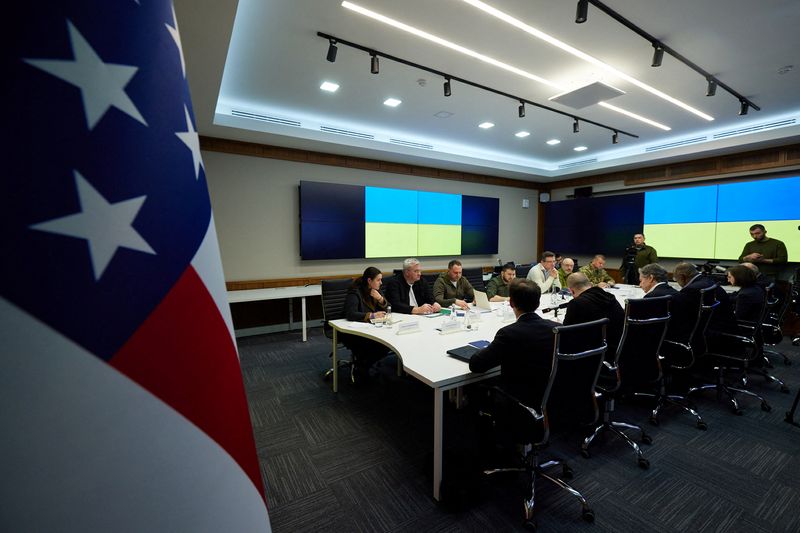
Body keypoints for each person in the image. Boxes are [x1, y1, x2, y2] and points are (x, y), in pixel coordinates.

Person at [469, 279, 559, 406]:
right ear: (538, 303)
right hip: (553, 396)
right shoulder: (557, 329)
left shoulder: (508, 334)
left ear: (511, 303)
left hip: (520, 400)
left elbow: (476, 365)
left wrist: (488, 348)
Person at [341, 267, 392, 381]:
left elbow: (388, 306)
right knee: (375, 345)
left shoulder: (376, 290)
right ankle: (362, 366)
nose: (381, 282)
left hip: (372, 329)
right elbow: (350, 314)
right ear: (369, 281)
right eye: (378, 280)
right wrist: (371, 315)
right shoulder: (355, 292)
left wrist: (380, 299)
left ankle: (364, 365)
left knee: (386, 344)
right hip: (353, 331)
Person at [669, 262, 735, 344]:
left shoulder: (691, 290)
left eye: (676, 279)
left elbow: (683, 315)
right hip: (723, 326)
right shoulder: (707, 281)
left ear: (682, 277)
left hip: (710, 334)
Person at [564, 273, 624, 360]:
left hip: (593, 355)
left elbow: (566, 332)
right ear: (590, 284)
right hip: (617, 349)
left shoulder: (577, 303)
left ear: (571, 291)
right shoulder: (610, 297)